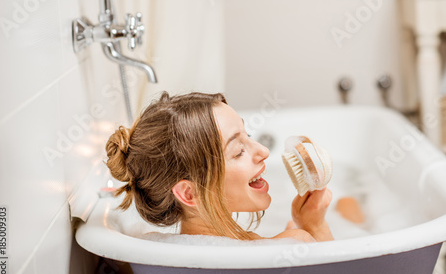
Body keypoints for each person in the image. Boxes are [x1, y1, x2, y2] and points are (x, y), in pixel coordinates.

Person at [105, 91, 333, 242]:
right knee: (349, 205)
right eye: (239, 151)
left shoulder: (160, 248)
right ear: (189, 193)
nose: (263, 151)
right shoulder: (292, 245)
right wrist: (313, 225)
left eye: (249, 135)